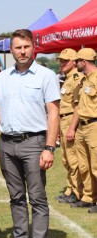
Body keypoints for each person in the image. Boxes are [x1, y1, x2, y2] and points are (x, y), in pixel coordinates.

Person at [0, 29, 60, 238]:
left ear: (33, 48)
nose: (22, 51)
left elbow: (53, 113)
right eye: (17, 47)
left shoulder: (46, 76)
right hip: (7, 143)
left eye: (26, 47)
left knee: (37, 197)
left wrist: (49, 147)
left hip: (34, 143)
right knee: (16, 196)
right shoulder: (3, 78)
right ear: (11, 50)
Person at [54, 48, 83, 205]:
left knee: (73, 159)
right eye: (61, 60)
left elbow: (77, 106)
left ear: (74, 62)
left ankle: (77, 191)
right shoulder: (67, 79)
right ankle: (70, 188)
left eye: (65, 60)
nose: (62, 63)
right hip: (63, 120)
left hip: (71, 120)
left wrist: (72, 127)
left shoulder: (77, 78)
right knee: (66, 158)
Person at [72, 48, 97, 213]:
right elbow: (79, 106)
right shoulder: (84, 81)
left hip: (94, 125)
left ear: (84, 62)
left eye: (77, 61)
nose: (75, 64)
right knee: (84, 165)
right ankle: (89, 197)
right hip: (82, 126)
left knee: (96, 165)